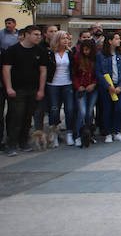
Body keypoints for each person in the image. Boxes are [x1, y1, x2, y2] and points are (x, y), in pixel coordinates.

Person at [2, 25, 47, 155]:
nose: (38, 37)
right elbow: (6, 69)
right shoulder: (13, 50)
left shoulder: (40, 51)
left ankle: (23, 142)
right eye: (35, 34)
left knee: (28, 117)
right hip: (17, 89)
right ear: (26, 35)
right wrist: (9, 87)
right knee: (16, 117)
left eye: (39, 35)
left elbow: (43, 71)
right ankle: (11, 144)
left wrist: (41, 89)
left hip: (33, 89)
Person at [95, 31, 121, 143]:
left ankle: (117, 131)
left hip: (119, 85)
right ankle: (108, 132)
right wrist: (107, 85)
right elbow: (98, 71)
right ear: (110, 41)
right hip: (107, 87)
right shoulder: (101, 55)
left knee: (119, 109)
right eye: (116, 39)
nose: (119, 41)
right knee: (107, 109)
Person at [45, 31, 75, 146]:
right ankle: (55, 134)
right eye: (63, 38)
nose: (66, 40)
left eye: (67, 38)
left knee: (70, 109)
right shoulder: (50, 53)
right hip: (53, 85)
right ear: (57, 40)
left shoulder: (70, 53)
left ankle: (69, 133)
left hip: (67, 83)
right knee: (54, 110)